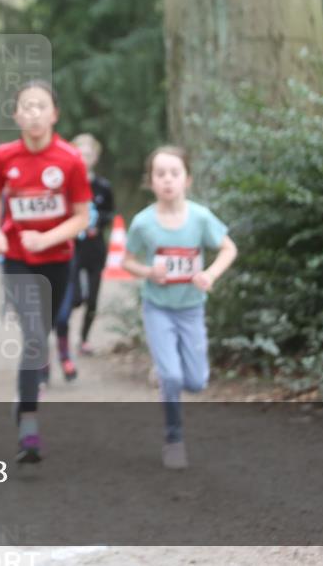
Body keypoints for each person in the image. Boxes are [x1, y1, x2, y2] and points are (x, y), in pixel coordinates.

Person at [0, 80, 92, 464]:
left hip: (57, 260)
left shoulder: (70, 159)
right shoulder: (4, 156)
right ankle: (29, 425)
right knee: (32, 334)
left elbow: (82, 217)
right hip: (15, 259)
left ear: (54, 114)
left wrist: (46, 239)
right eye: (25, 107)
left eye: (40, 106)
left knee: (40, 333)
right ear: (16, 115)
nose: (33, 113)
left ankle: (25, 400)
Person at [121, 145, 237, 469]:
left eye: (175, 173)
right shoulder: (143, 223)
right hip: (157, 307)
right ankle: (174, 439)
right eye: (160, 174)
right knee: (172, 378)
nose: (168, 180)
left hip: (191, 308)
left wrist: (210, 273)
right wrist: (148, 272)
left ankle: (165, 369)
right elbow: (126, 261)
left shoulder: (200, 218)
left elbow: (228, 248)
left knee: (197, 382)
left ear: (187, 179)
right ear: (151, 181)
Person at [54, 134, 115, 365]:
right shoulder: (64, 185)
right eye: (79, 153)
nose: (84, 158)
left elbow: (109, 213)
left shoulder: (102, 186)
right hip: (72, 248)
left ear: (95, 158)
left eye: (88, 154)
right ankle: (63, 338)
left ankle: (84, 339)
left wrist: (97, 225)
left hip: (95, 247)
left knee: (93, 297)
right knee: (74, 297)